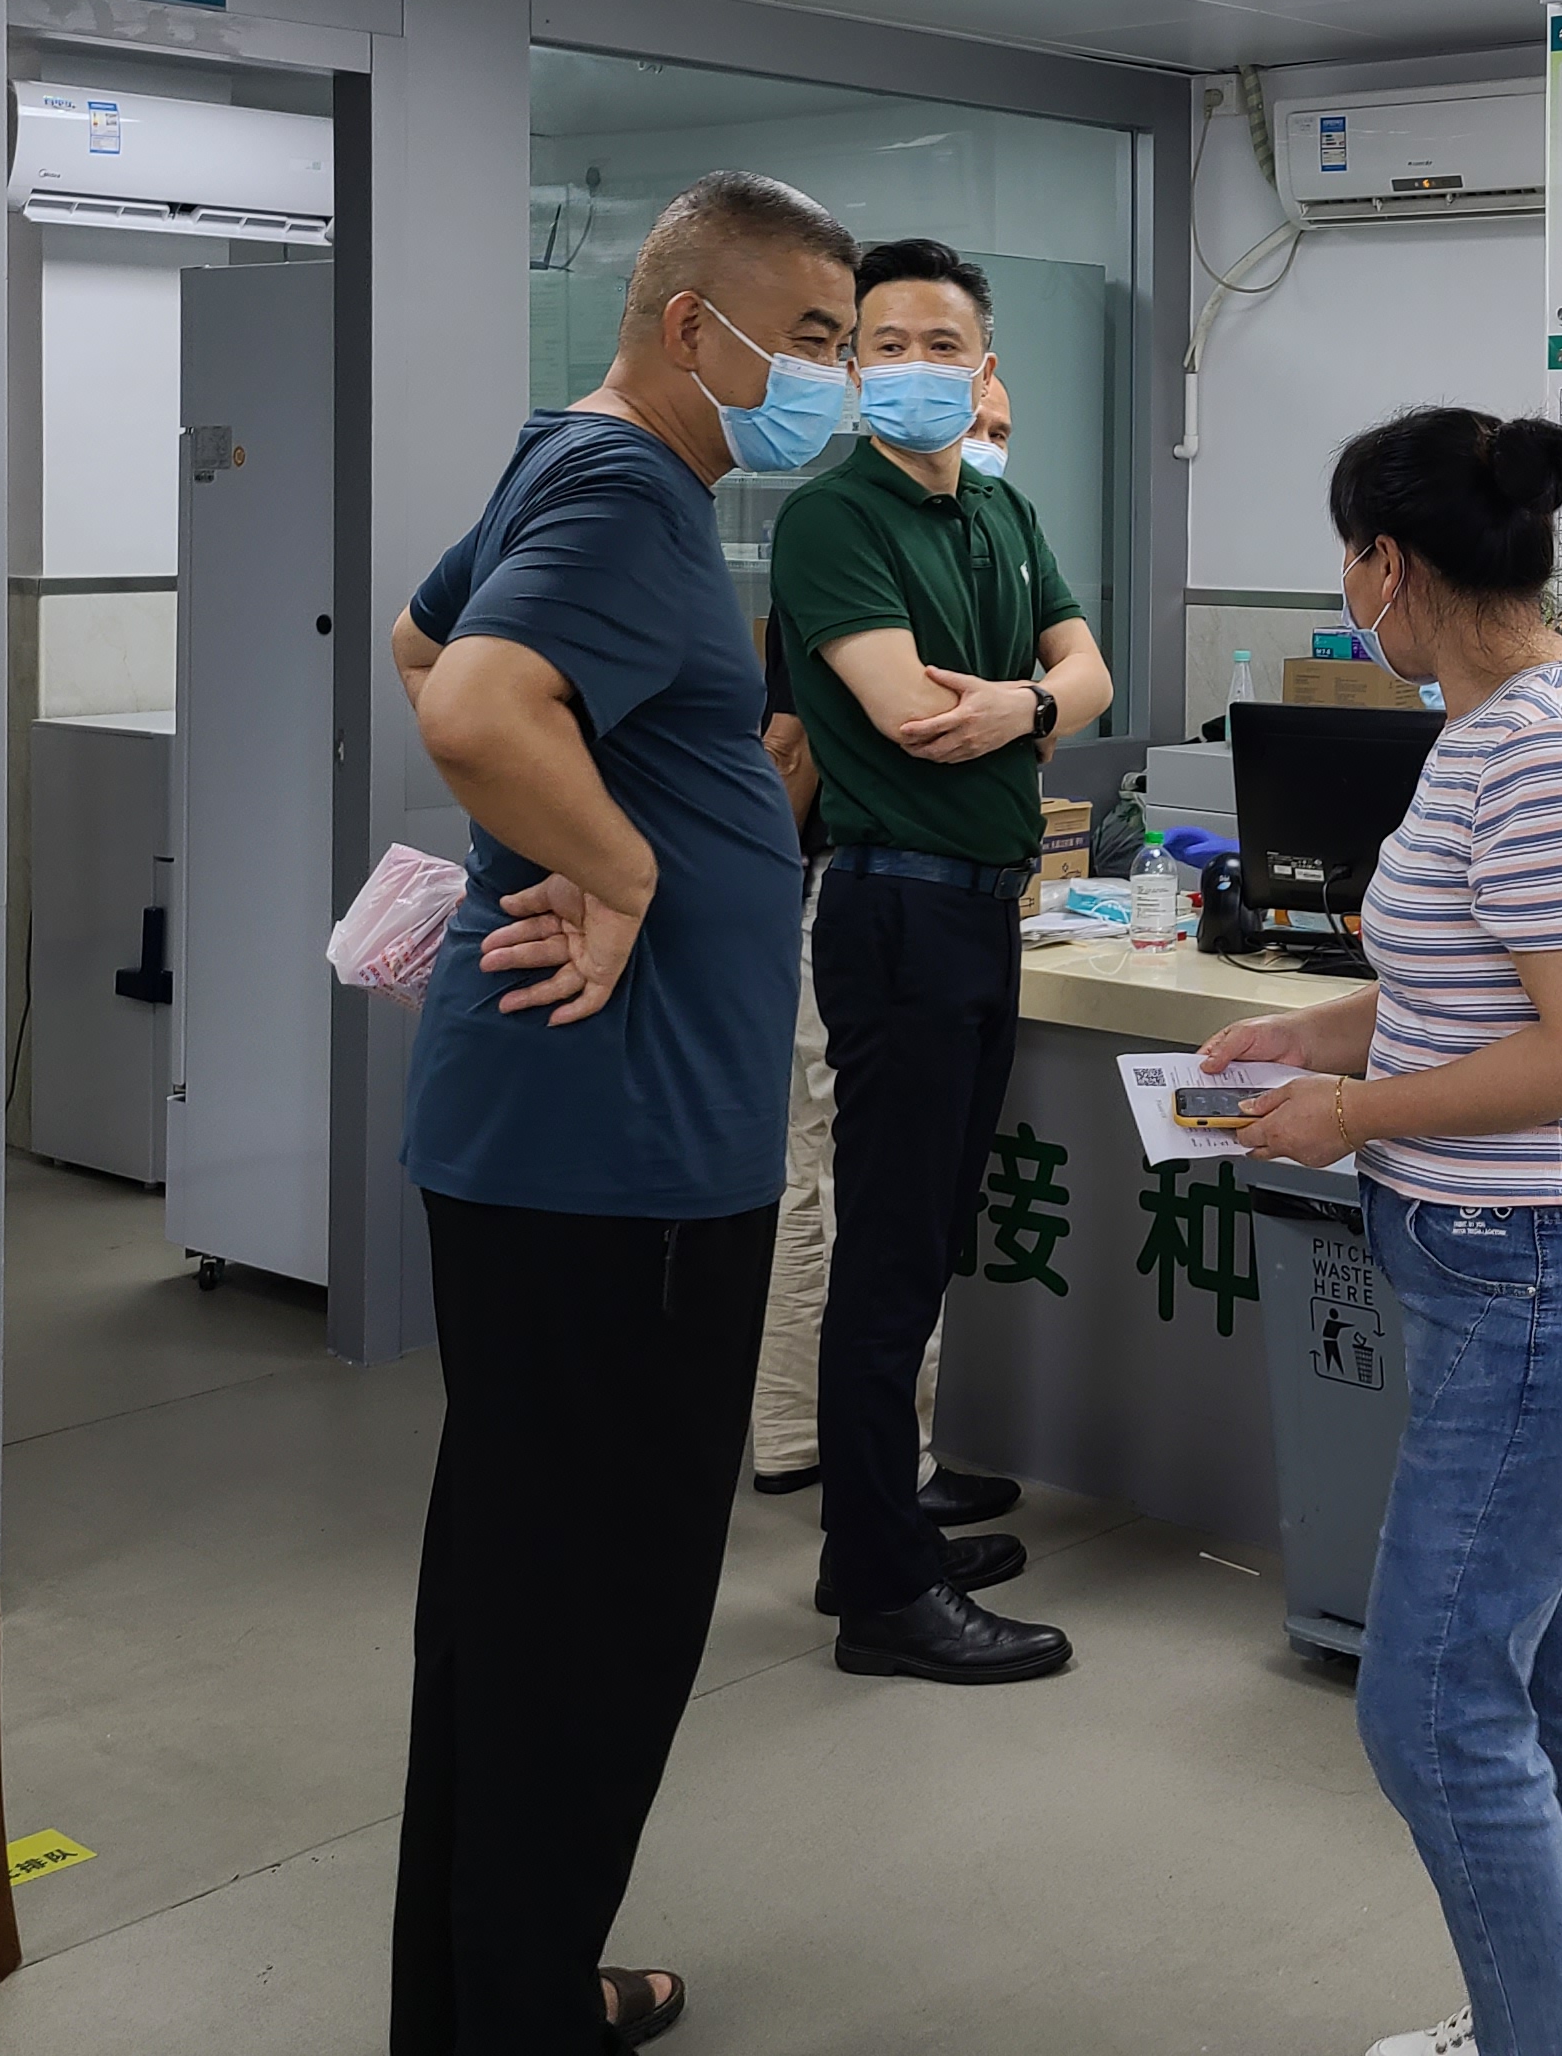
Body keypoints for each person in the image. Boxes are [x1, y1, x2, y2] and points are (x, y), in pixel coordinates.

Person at [383, 170, 860, 2056]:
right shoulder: (619, 488)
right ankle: (511, 2015)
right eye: (811, 338)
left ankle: (495, 1993)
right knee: (589, 1614)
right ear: (692, 326)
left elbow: (426, 638)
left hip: (580, 1151)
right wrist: (623, 866)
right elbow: (472, 707)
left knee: (528, 1600)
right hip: (618, 1168)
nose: (831, 378)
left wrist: (579, 826)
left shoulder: (566, 466)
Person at [1201, 409, 1562, 2056]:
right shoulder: (1498, 724)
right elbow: (1466, 986)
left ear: (1388, 564)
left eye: (1347, 561)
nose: (1348, 595)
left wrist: (1353, 1115)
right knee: (1545, 1654)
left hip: (1546, 1280)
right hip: (1513, 1271)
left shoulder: (1537, 753)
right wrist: (1314, 1034)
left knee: (1426, 1701)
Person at [774, 241, 1110, 1680]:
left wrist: (1020, 703)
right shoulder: (830, 517)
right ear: (854, 369)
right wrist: (1037, 702)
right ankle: (879, 1591)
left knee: (930, 1238)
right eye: (886, 344)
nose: (914, 366)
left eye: (942, 345)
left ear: (984, 369)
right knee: (889, 1255)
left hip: (982, 909)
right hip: (895, 908)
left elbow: (1091, 676)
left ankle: (885, 1526)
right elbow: (916, 715)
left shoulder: (1000, 504)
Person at [747, 373, 1022, 1527]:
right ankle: (865, 1466)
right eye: (979, 421)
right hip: (854, 899)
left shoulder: (983, 545)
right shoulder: (851, 542)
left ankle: (813, 1442)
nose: (988, 444)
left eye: (1002, 429)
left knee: (836, 1186)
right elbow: (793, 745)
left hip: (887, 905)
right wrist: (770, 900)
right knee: (856, 1200)